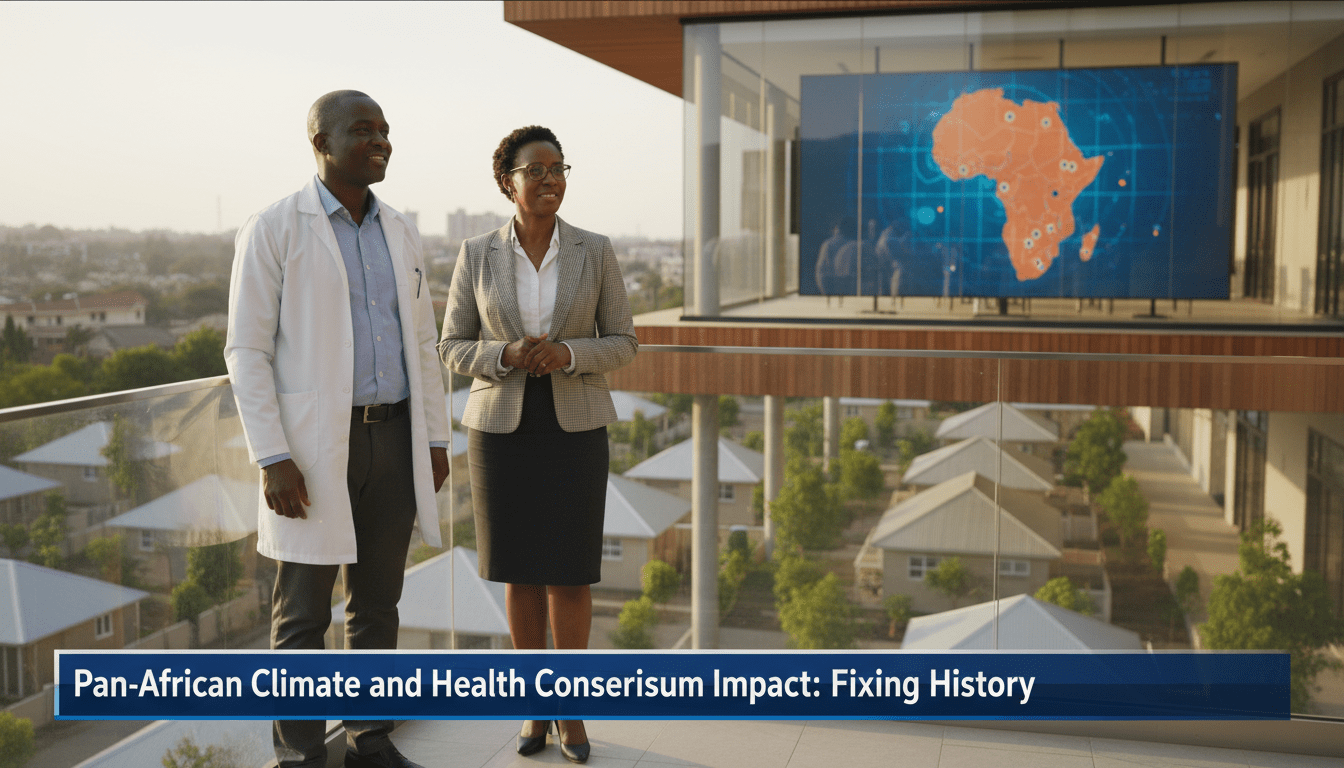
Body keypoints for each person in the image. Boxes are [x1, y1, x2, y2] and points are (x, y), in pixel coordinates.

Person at [225, 90, 450, 768]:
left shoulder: (400, 230)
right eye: (362, 130)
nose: (380, 140)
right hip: (314, 449)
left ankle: (368, 740)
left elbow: (424, 341)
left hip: (394, 437)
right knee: (301, 615)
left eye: (385, 130)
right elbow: (245, 350)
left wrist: (435, 439)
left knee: (378, 603)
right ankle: (297, 755)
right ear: (319, 140)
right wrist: (271, 455)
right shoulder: (274, 228)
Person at [438, 125, 637, 764]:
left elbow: (625, 341)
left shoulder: (595, 249)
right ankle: (534, 705)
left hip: (575, 426)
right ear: (508, 182)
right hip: (500, 430)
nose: (550, 179)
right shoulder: (476, 253)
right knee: (520, 571)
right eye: (536, 169)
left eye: (559, 168)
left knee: (571, 571)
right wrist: (505, 354)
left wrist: (569, 353)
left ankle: (572, 709)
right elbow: (450, 346)